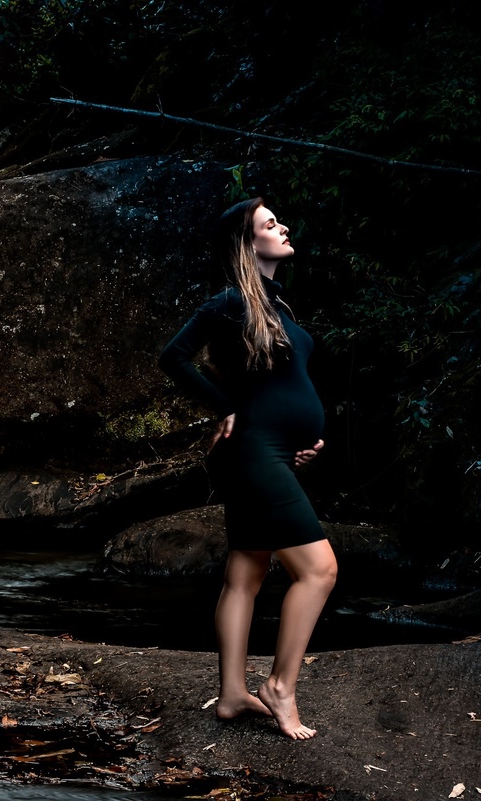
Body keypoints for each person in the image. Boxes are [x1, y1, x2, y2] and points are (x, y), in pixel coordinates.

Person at [158, 197, 338, 740]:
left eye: (279, 220)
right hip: (254, 451)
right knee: (320, 570)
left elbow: (281, 386)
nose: (283, 226)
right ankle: (280, 687)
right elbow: (173, 357)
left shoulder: (276, 306)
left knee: (246, 573)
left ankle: (233, 695)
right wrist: (224, 409)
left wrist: (306, 441)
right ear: (247, 243)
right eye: (269, 224)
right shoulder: (229, 303)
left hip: (275, 452)